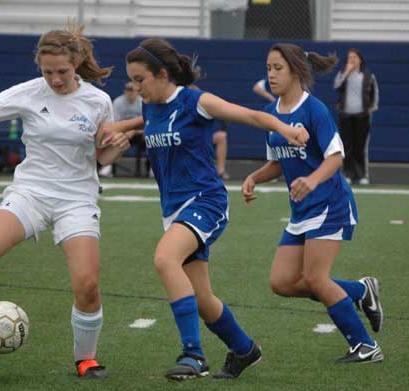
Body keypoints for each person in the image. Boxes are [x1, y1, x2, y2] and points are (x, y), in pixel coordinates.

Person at [0, 24, 130, 380]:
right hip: (31, 192)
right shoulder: (28, 93)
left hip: (77, 199)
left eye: (62, 72)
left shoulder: (98, 101)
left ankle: (85, 359)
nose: (54, 79)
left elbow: (100, 157)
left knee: (87, 284)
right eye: (47, 71)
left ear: (77, 62)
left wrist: (114, 149)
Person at [99, 38, 309, 381]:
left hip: (205, 202)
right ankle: (244, 349)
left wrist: (284, 128)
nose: (135, 88)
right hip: (174, 209)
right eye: (132, 81)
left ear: (162, 74)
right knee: (202, 298)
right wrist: (115, 128)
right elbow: (143, 123)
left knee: (165, 259)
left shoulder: (197, 101)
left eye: (140, 80)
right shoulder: (151, 106)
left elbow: (251, 115)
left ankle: (193, 355)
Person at [241, 43, 384, 364]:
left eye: (278, 68)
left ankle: (365, 345)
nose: (271, 74)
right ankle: (360, 292)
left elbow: (336, 156)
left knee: (317, 278)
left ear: (295, 71)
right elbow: (278, 163)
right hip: (302, 210)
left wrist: (312, 180)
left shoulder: (314, 109)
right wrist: (254, 177)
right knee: (282, 282)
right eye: (268, 68)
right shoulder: (272, 116)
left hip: (330, 204)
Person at [333, 48, 379, 185]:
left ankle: (362, 175)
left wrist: (372, 108)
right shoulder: (342, 74)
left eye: (354, 57)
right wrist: (346, 72)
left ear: (360, 60)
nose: (351, 60)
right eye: (349, 58)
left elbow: (375, 92)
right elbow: (336, 85)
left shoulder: (368, 76)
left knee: (360, 146)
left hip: (362, 115)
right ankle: (347, 174)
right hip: (346, 115)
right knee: (347, 145)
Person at [98, 81, 147, 177]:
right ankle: (108, 166)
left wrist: (134, 131)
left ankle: (152, 167)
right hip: (121, 133)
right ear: (124, 91)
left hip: (140, 134)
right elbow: (113, 125)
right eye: (128, 90)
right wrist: (126, 131)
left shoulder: (143, 102)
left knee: (151, 136)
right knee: (108, 137)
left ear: (137, 91)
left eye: (132, 90)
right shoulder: (118, 102)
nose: (130, 93)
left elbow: (148, 124)